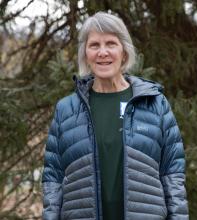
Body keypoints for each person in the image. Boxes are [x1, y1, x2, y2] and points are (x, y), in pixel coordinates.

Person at [42, 11, 189, 220]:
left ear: (124, 51)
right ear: (85, 53)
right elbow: (52, 179)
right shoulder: (66, 110)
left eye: (111, 43)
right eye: (94, 45)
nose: (103, 52)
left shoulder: (155, 104)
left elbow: (172, 174)